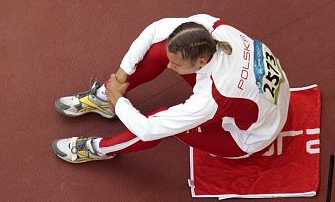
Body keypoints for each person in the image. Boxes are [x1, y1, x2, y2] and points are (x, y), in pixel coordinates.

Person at [50, 15, 290, 164]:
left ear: (201, 63)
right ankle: (103, 99)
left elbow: (148, 130)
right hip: (254, 99)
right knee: (158, 50)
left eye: (176, 65)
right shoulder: (210, 27)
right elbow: (156, 29)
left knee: (158, 121)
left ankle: (99, 149)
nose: (170, 66)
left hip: (246, 138)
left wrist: (119, 100)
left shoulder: (214, 97)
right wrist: (121, 75)